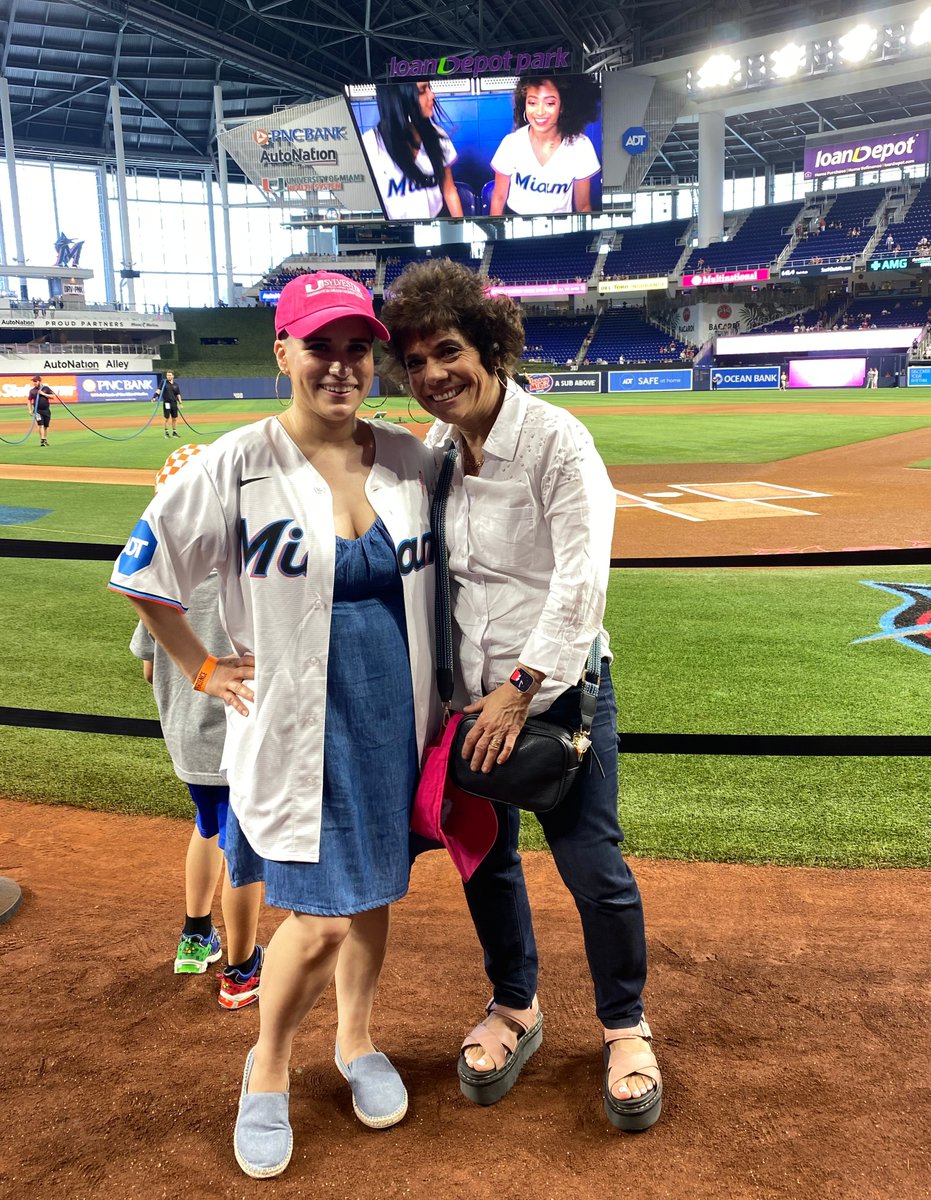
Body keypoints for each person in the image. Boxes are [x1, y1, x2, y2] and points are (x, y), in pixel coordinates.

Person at [109, 271, 438, 1179]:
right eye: (320, 345)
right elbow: (143, 572)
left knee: (372, 895)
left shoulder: (409, 459)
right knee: (319, 919)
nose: (341, 365)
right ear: (283, 352)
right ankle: (267, 1069)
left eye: (356, 347)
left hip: (390, 719)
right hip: (297, 728)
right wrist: (200, 666)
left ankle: (357, 1042)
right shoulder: (234, 463)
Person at [381, 258, 662, 1133]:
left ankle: (625, 1026)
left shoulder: (555, 440)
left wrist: (519, 690)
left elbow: (581, 582)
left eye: (451, 351)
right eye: (418, 361)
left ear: (491, 346)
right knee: (487, 864)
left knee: (593, 867)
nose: (434, 376)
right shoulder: (434, 452)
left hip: (555, 697)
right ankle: (514, 1006)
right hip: (467, 699)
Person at [131, 444, 265, 1007]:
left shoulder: (164, 582)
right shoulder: (247, 574)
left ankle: (194, 935)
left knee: (207, 828)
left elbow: (147, 666)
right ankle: (239, 970)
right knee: (245, 852)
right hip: (238, 737)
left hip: (188, 740)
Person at [489, 74, 600, 216]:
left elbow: (583, 206)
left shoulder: (581, 146)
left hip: (561, 230)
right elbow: (498, 198)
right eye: (532, 103)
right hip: (516, 227)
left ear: (562, 106)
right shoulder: (511, 143)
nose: (540, 112)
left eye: (550, 103)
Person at [361, 81, 463, 221]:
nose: (431, 95)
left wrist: (462, 226)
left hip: (436, 227)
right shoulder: (370, 145)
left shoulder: (438, 135)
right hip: (397, 235)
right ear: (399, 98)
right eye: (422, 91)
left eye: (429, 88)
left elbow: (449, 190)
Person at [155, 370, 183, 438]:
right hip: (167, 402)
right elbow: (158, 390)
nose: (168, 376)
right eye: (167, 375)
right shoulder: (163, 382)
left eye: (170, 375)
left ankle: (174, 432)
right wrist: (154, 396)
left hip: (174, 403)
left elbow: (178, 394)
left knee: (174, 418)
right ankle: (166, 432)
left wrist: (180, 403)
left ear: (173, 376)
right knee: (167, 418)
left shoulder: (176, 385)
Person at [27, 374, 54, 447]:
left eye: (35, 381)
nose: (34, 383)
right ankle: (42, 440)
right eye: (33, 381)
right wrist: (30, 410)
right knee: (40, 425)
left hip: (46, 410)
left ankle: (45, 439)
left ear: (39, 381)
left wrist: (43, 394)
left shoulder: (46, 388)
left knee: (46, 426)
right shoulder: (32, 391)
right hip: (37, 411)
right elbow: (29, 400)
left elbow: (52, 397)